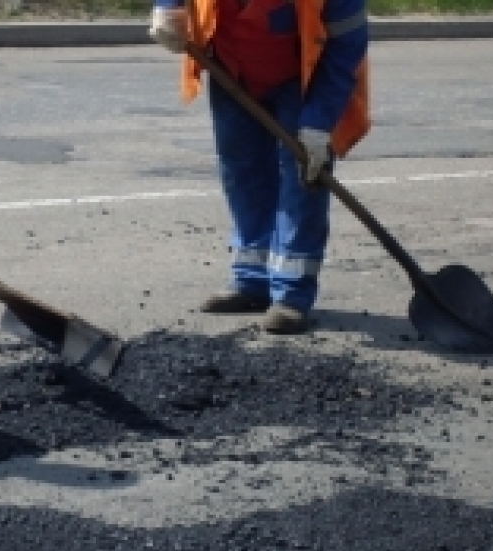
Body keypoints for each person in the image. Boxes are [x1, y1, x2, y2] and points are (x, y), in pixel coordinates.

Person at [149, 0, 370, 333]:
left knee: (303, 178)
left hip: (302, 77)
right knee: (242, 172)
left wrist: (319, 124)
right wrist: (166, 7)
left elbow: (346, 47)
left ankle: (292, 295)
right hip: (230, 65)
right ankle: (251, 280)